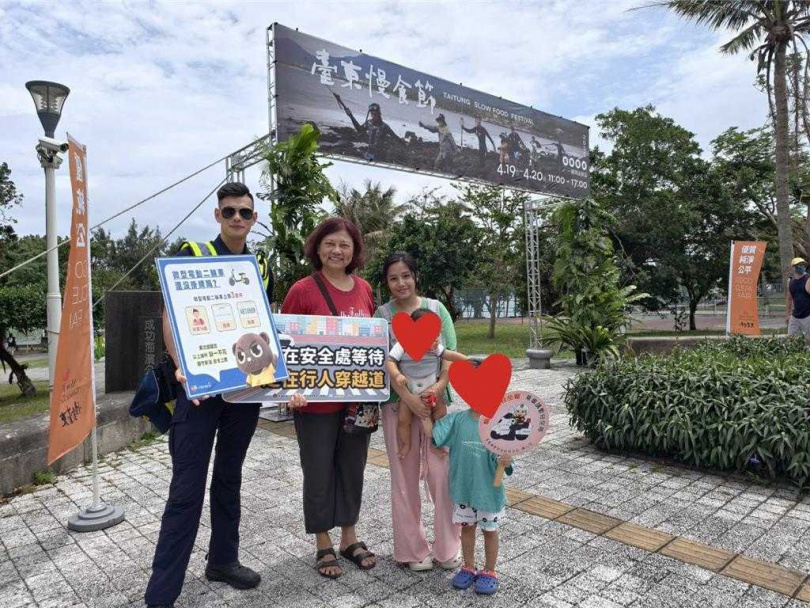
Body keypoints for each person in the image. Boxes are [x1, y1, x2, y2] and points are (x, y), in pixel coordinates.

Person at [145, 182, 272, 608]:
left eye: (245, 213)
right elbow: (169, 315)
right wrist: (179, 364)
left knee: (229, 477)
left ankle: (223, 560)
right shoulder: (192, 255)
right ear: (217, 215)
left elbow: (262, 326)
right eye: (230, 211)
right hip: (197, 391)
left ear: (253, 220)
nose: (238, 218)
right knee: (186, 490)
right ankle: (162, 593)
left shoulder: (260, 266)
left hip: (241, 394)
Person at [281, 217, 377, 579]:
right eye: (330, 244)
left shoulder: (365, 289)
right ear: (317, 247)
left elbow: (373, 341)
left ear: (354, 251)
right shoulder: (302, 290)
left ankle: (349, 538)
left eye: (345, 245)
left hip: (359, 402)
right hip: (315, 404)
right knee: (318, 470)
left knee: (353, 469)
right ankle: (323, 542)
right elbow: (286, 344)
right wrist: (291, 389)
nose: (337, 251)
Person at [374, 252, 461, 572]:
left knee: (442, 474)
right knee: (404, 477)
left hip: (436, 403)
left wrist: (438, 388)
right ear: (387, 283)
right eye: (393, 278)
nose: (401, 283)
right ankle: (412, 550)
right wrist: (407, 397)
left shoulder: (437, 310)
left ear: (416, 277)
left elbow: (447, 356)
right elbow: (384, 361)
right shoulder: (381, 315)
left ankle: (447, 548)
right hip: (398, 407)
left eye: (406, 276)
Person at [433, 407, 513, 596]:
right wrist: (421, 413)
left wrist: (507, 462)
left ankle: (490, 570)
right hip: (464, 489)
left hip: (488, 492)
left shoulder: (500, 421)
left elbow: (508, 457)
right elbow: (435, 433)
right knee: (467, 528)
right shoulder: (458, 419)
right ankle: (468, 567)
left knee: (490, 531)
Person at [386, 309, 471, 458]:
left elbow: (448, 355)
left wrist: (467, 359)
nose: (436, 338)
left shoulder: (435, 348)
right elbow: (390, 361)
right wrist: (397, 374)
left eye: (437, 334)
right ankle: (406, 445)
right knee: (403, 420)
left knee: (441, 414)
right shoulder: (402, 345)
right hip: (410, 390)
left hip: (432, 389)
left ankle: (436, 444)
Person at [333, 94, 403, 162]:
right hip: (369, 153)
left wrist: (401, 144)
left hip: (379, 155)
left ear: (379, 114)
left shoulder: (384, 127)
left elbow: (395, 138)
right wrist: (351, 116)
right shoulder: (369, 123)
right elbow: (359, 130)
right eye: (372, 114)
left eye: (375, 114)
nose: (373, 115)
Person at [787, 256, 810, 340]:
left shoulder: (808, 279)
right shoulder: (790, 281)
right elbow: (789, 298)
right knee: (791, 339)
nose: (802, 266)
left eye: (803, 264)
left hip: (808, 315)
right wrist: (788, 314)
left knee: (808, 341)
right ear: (793, 268)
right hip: (795, 316)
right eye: (798, 265)